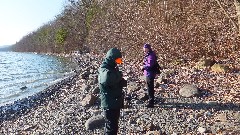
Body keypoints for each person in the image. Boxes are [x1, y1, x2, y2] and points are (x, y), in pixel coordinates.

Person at [98, 48, 127, 135]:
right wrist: (120, 75)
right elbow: (106, 79)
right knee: (111, 128)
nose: (119, 62)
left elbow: (113, 81)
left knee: (112, 126)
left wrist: (122, 82)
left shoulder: (112, 67)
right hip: (109, 104)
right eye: (117, 60)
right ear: (112, 58)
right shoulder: (104, 68)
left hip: (114, 102)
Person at [141, 43, 157, 108]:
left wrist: (143, 67)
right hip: (148, 73)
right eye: (144, 50)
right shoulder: (149, 54)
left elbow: (149, 65)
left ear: (148, 49)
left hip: (150, 73)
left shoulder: (151, 55)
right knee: (149, 87)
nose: (144, 51)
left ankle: (151, 103)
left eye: (145, 49)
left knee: (150, 88)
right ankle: (151, 100)